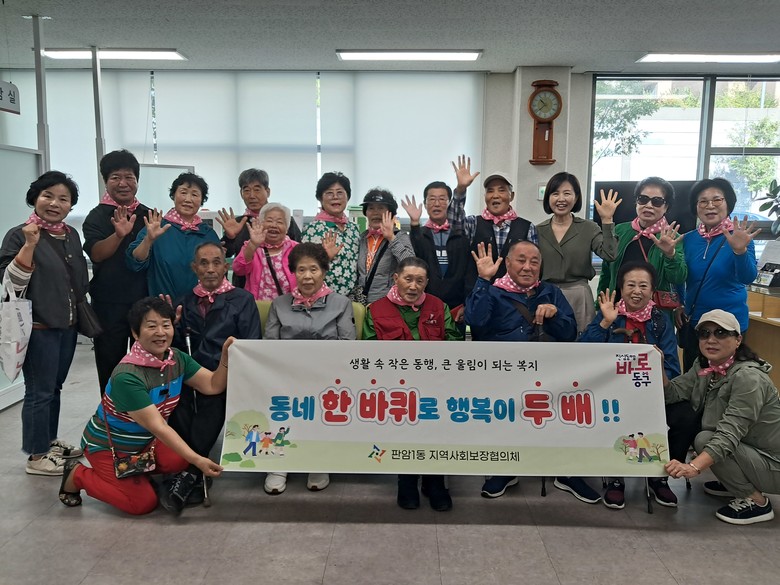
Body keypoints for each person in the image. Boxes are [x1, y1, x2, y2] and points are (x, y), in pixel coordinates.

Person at [56, 297, 230, 515]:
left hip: (145, 444)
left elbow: (213, 385)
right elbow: (159, 427)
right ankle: (77, 475)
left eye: (166, 325)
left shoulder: (176, 359)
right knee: (141, 504)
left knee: (177, 460)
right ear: (135, 333)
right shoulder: (127, 377)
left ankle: (135, 476)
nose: (160, 332)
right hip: (109, 448)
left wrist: (225, 358)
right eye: (151, 326)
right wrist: (198, 460)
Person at [465, 240, 577, 499]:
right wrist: (483, 280)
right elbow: (475, 321)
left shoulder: (550, 292)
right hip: (502, 374)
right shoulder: (492, 291)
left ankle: (567, 472)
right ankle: (506, 470)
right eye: (521, 260)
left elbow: (570, 333)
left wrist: (556, 314)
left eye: (534, 262)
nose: (528, 267)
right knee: (505, 417)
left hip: (547, 374)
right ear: (507, 263)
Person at [0, 171, 88, 475]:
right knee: (39, 391)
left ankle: (48, 441)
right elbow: (10, 282)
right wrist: (29, 245)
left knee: (54, 388)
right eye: (47, 196)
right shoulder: (19, 234)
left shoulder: (71, 234)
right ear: (35, 198)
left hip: (67, 326)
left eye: (63, 198)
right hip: (38, 328)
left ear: (70, 205)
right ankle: (36, 455)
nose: (54, 203)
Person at [165, 242, 262, 509]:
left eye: (216, 262)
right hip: (190, 373)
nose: (210, 269)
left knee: (212, 400)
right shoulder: (183, 301)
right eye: (204, 263)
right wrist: (172, 326)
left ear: (226, 266)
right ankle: (191, 470)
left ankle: (190, 473)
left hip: (226, 374)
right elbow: (173, 348)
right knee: (177, 403)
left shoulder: (242, 300)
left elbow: (251, 342)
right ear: (194, 268)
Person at [363, 257, 462, 511]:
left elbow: (454, 344)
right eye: (408, 279)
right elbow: (370, 353)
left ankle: (434, 482)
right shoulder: (375, 310)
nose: (413, 286)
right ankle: (406, 481)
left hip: (435, 388)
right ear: (396, 279)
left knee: (436, 433)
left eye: (420, 281)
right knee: (404, 434)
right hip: (396, 390)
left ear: (426, 283)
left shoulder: (439, 307)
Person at [580, 261, 682, 509]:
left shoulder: (660, 321)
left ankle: (659, 476)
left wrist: (658, 366)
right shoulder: (609, 315)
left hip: (651, 393)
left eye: (643, 286)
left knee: (684, 415)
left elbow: (673, 368)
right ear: (621, 288)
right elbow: (582, 352)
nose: (637, 291)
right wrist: (605, 323)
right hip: (611, 392)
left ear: (652, 290)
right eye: (631, 285)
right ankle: (616, 477)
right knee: (613, 411)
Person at [665, 309, 780, 525]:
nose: (711, 340)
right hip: (752, 452)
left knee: (705, 439)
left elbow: (730, 433)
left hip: (774, 464)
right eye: (704, 333)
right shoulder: (706, 367)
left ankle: (756, 501)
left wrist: (693, 467)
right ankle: (734, 483)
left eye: (721, 333)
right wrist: (656, 364)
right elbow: (672, 393)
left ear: (738, 340)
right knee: (704, 433)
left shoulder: (748, 378)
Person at [263, 242, 356, 494]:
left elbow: (348, 345)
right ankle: (278, 463)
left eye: (313, 269)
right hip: (286, 376)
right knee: (280, 406)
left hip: (327, 376)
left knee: (322, 405)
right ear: (293, 272)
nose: (307, 276)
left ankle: (318, 460)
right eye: (301, 270)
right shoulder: (279, 304)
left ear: (324, 271)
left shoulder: (340, 303)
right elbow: (269, 345)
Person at [82, 149, 151, 394]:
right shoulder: (96, 216)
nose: (123, 183)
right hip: (108, 304)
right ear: (105, 181)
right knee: (110, 365)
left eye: (129, 177)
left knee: (148, 364)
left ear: (137, 180)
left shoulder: (148, 215)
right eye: (115, 177)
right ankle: (111, 414)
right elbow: (96, 254)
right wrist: (118, 235)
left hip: (144, 300)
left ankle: (147, 414)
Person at [678, 178, 759, 371]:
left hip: (730, 324)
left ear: (728, 203)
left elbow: (747, 277)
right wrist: (679, 303)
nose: (710, 206)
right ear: (696, 207)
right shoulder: (688, 239)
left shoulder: (739, 237)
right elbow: (680, 276)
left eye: (717, 200)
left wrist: (740, 251)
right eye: (703, 201)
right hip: (697, 323)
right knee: (693, 377)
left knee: (728, 379)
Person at [536, 172, 620, 334]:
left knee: (582, 340)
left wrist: (607, 221)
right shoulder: (537, 230)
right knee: (546, 340)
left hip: (579, 295)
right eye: (555, 194)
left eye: (567, 193)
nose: (561, 199)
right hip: (547, 295)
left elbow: (610, 255)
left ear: (576, 198)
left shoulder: (588, 228)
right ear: (548, 198)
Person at [596, 177, 686, 322]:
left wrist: (670, 254)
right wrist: (599, 305)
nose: (648, 205)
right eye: (643, 199)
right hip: (616, 312)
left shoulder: (673, 238)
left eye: (657, 201)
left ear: (666, 207)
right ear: (636, 202)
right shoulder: (620, 230)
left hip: (656, 316)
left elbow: (678, 278)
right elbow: (607, 272)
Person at [448, 166, 538, 301]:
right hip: (478, 297)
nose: (495, 195)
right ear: (485, 197)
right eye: (490, 191)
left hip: (515, 300)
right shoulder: (474, 223)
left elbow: (534, 266)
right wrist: (461, 189)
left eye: (501, 190)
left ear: (512, 196)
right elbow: (453, 222)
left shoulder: (527, 227)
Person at [126, 172, 220, 299]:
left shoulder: (208, 233)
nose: (188, 199)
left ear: (201, 200)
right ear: (173, 195)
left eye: (194, 194)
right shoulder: (157, 227)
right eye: (183, 192)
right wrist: (148, 240)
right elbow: (134, 262)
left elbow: (218, 272)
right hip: (163, 306)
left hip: (201, 306)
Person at [400, 177, 471, 325]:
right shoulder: (419, 234)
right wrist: (414, 225)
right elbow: (415, 261)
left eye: (442, 199)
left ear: (449, 203)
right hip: (424, 305)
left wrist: (466, 303)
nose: (437, 204)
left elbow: (468, 272)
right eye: (432, 199)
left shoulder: (461, 234)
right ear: (425, 204)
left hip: (457, 308)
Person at [218, 168, 302, 288]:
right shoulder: (239, 223)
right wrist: (229, 237)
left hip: (284, 288)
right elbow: (226, 254)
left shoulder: (284, 220)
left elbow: (300, 253)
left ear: (267, 191)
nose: (252, 196)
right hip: (246, 288)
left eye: (257, 190)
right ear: (241, 193)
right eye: (246, 190)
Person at [300, 172, 361, 296]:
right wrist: (326, 257)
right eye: (329, 193)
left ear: (347, 197)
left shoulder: (353, 228)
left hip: (351, 298)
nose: (335, 197)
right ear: (320, 198)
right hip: (322, 298)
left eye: (340, 192)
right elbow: (303, 266)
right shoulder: (313, 229)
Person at [355, 189, 414, 303]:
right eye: (371, 208)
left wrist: (391, 238)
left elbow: (410, 264)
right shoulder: (362, 238)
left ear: (390, 213)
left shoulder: (400, 236)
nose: (375, 212)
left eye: (381, 208)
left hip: (388, 302)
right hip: (362, 302)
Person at [231, 202, 299, 300]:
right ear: (261, 224)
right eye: (269, 220)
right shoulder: (252, 246)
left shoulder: (296, 249)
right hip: (258, 305)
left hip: (288, 306)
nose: (274, 225)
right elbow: (238, 270)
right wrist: (253, 245)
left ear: (287, 228)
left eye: (279, 222)